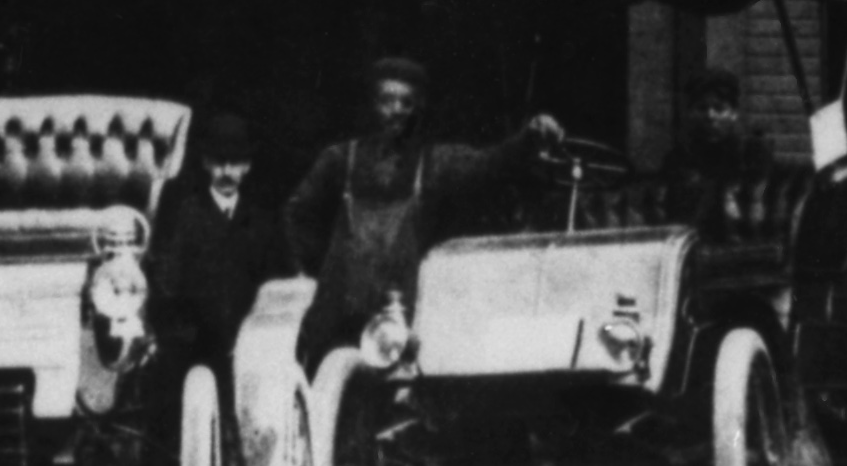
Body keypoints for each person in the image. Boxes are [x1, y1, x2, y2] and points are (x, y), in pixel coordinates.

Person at [286, 57, 557, 364]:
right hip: (338, 318)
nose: (396, 111)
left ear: (418, 109)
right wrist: (326, 271)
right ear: (372, 104)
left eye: (407, 102)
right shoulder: (339, 160)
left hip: (401, 315)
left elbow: (486, 164)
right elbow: (298, 213)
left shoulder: (432, 163)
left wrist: (528, 138)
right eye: (387, 100)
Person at [145, 112, 284, 441]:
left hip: (247, 344)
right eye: (219, 163)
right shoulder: (187, 217)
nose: (227, 172)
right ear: (206, 164)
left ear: (247, 167)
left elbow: (276, 285)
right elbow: (166, 283)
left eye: (235, 163)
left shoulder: (261, 222)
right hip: (196, 346)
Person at [659, 65, 779, 234]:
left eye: (719, 108)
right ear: (689, 113)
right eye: (702, 108)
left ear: (734, 113)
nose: (710, 116)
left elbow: (758, 208)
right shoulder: (678, 158)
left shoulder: (752, 153)